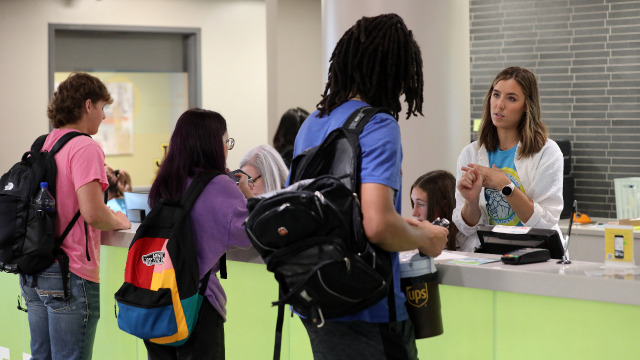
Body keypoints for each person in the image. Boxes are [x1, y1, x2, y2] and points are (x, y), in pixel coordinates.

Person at [291, 13, 449, 360]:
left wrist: (400, 223)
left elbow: (332, 211)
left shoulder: (313, 124)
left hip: (314, 294)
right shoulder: (378, 124)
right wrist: (428, 238)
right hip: (366, 305)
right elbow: (376, 225)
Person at [20, 72, 132, 360]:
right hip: (70, 274)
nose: (104, 116)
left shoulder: (46, 143)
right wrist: (120, 220)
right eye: (103, 108)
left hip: (35, 268)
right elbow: (93, 213)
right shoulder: (85, 146)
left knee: (41, 356)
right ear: (87, 105)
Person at [144, 108, 252, 360]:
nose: (228, 148)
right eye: (227, 141)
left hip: (157, 299)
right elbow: (249, 234)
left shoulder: (166, 181)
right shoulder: (219, 185)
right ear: (213, 144)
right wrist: (247, 195)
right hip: (197, 304)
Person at [452, 66, 564, 248]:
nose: (499, 105)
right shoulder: (470, 153)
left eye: (511, 98)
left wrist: (505, 184)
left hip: (534, 255)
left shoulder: (547, 152)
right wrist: (471, 201)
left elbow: (545, 224)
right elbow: (467, 229)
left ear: (527, 106)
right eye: (496, 95)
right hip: (487, 256)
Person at [410, 170, 477, 252]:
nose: (414, 213)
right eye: (414, 203)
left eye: (421, 204)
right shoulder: (418, 240)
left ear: (444, 205)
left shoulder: (471, 244)